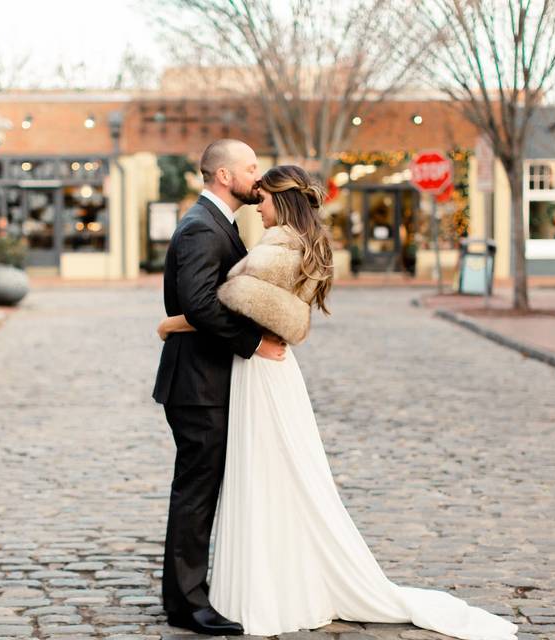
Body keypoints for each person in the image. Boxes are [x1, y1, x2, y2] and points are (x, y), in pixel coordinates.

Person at [157, 165, 519, 640]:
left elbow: (229, 299)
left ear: (281, 203)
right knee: (268, 476)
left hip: (262, 368)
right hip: (260, 368)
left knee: (267, 475)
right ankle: (258, 583)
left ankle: (262, 586)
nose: (258, 206)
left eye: (263, 199)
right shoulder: (294, 240)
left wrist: (173, 325)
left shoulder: (280, 241)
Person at [152, 139, 288, 637]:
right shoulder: (198, 228)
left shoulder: (220, 225)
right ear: (225, 176)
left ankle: (188, 594)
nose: (259, 175)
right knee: (195, 493)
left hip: (210, 380)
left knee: (202, 491)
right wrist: (255, 341)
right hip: (198, 385)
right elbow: (201, 304)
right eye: (251, 168)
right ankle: (187, 605)